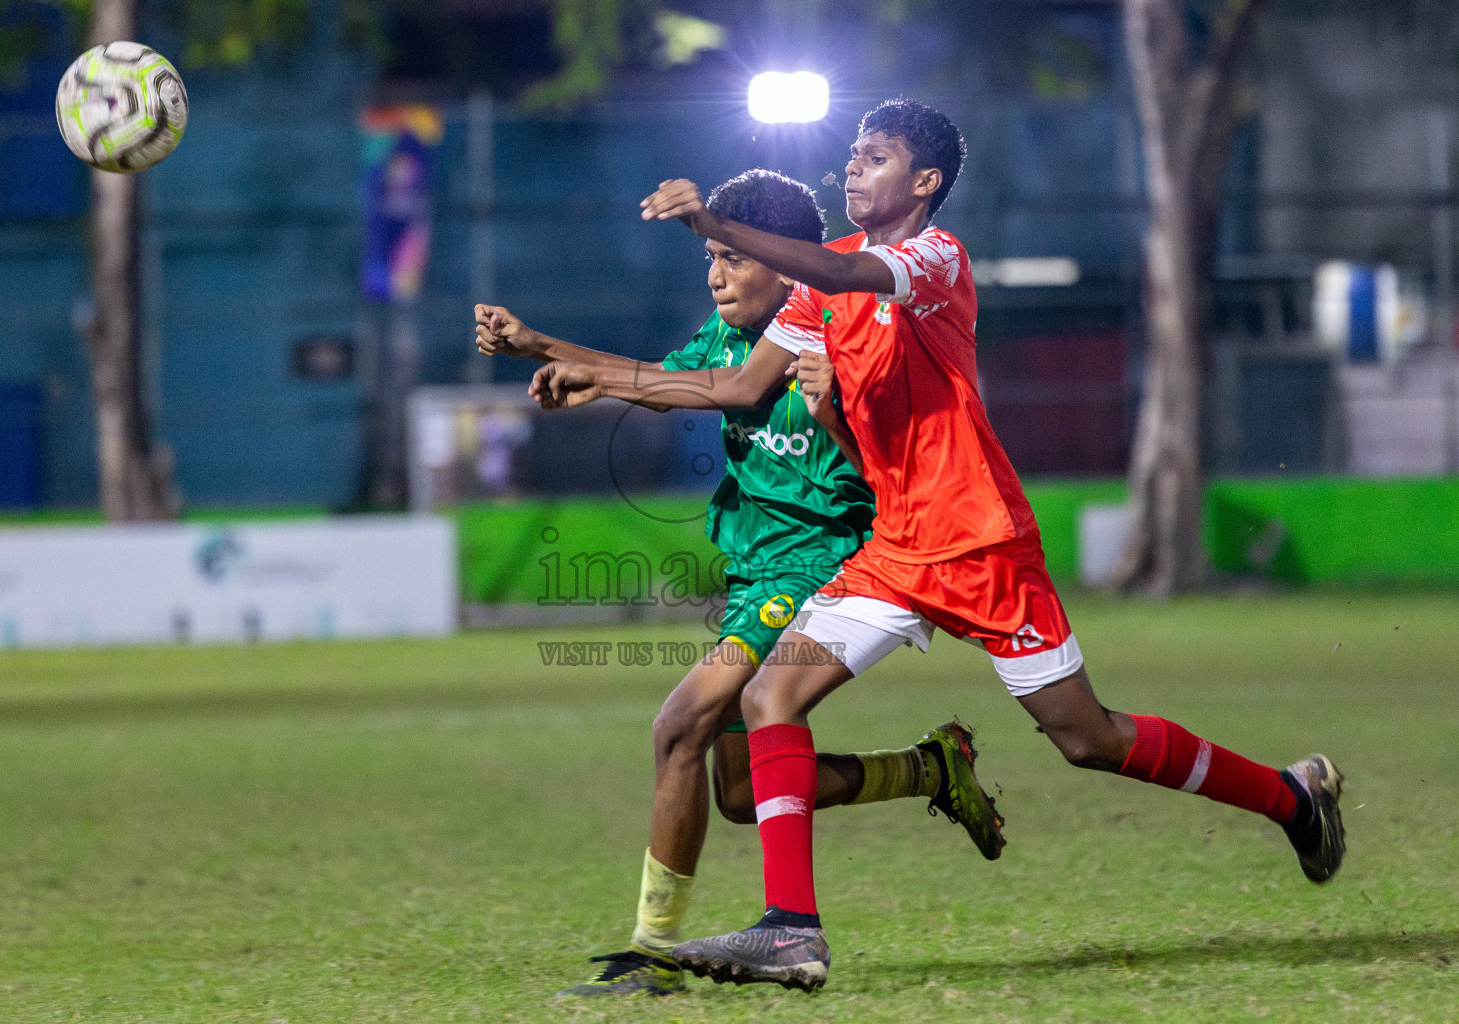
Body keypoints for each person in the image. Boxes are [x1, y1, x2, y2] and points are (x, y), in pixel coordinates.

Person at [534, 99, 1346, 994]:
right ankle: (792, 929)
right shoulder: (817, 285)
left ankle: (1289, 796)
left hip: (979, 541)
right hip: (895, 547)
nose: (852, 170)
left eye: (874, 158)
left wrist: (715, 222)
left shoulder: (932, 259)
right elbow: (734, 386)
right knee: (772, 697)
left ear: (923, 183)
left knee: (1087, 738)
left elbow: (848, 283)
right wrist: (591, 372)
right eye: (849, 155)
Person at [477, 168, 1006, 998]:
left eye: (732, 255)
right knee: (739, 792)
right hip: (754, 570)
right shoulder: (725, 338)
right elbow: (665, 382)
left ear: (784, 263)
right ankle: (929, 770)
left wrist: (586, 373)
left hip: (820, 566)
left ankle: (652, 957)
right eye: (711, 257)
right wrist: (540, 346)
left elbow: (724, 395)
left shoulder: (827, 336)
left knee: (680, 725)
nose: (716, 273)